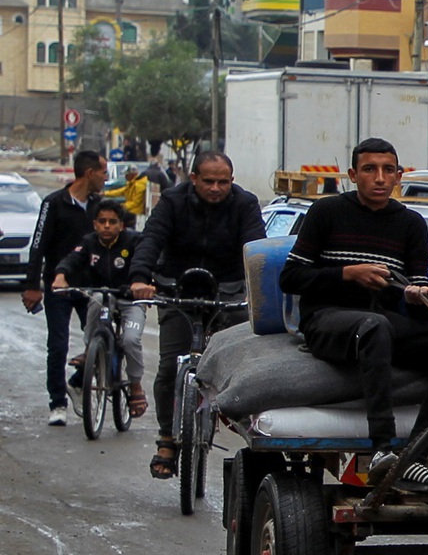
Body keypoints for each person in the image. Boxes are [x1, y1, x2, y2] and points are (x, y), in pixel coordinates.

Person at [280, 139, 428, 492]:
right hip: (327, 318)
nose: (380, 178)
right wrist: (346, 274)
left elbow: (415, 285)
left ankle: (415, 453)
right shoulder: (325, 213)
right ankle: (382, 448)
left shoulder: (411, 224)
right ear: (354, 175)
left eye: (389, 170)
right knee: (375, 326)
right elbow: (290, 277)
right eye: (370, 169)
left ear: (400, 176)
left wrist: (417, 294)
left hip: (382, 319)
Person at [129, 151, 264, 479]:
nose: (217, 188)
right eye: (209, 181)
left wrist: (257, 287)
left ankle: (253, 428)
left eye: (224, 182)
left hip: (228, 290)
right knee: (168, 366)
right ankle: (166, 437)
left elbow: (256, 247)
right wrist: (140, 277)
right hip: (178, 289)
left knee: (245, 362)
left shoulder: (245, 204)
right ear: (193, 179)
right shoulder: (172, 202)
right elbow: (151, 240)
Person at [23, 151, 109, 426]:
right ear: (89, 173)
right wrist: (32, 286)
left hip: (91, 287)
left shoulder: (99, 206)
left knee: (101, 341)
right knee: (58, 345)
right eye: (103, 172)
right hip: (58, 286)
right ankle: (57, 402)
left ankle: (77, 382)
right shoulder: (54, 203)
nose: (106, 177)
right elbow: (38, 246)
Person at [50, 199, 148, 418]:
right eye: (101, 221)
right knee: (95, 299)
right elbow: (72, 259)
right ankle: (90, 350)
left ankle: (135, 385)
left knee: (131, 339)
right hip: (103, 296)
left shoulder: (134, 242)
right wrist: (61, 277)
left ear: (121, 225)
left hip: (130, 299)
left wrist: (144, 284)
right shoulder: (89, 243)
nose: (106, 226)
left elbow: (147, 263)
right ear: (94, 224)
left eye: (112, 222)